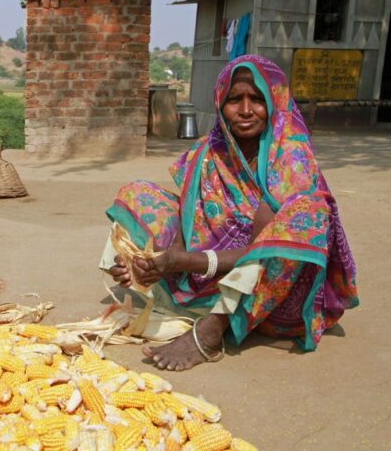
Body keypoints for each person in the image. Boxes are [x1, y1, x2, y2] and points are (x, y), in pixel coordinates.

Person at [102, 54, 358, 371]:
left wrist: (180, 261)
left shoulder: (292, 158)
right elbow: (186, 222)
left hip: (273, 299)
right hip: (206, 274)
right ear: (221, 104)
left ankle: (214, 326)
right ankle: (163, 287)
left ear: (276, 103)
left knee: (307, 217)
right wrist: (151, 260)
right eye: (235, 99)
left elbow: (258, 253)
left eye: (257, 99)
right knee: (136, 195)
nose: (246, 110)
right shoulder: (206, 154)